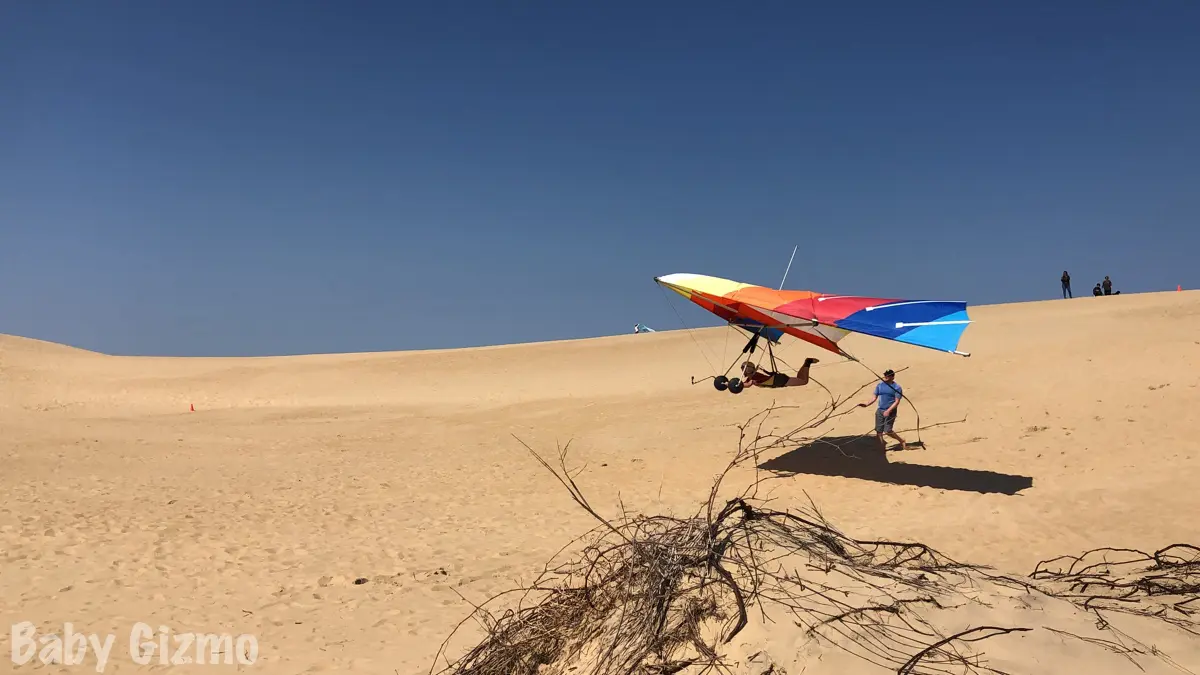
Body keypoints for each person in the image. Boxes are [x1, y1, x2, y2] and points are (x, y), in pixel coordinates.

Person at [858, 369, 908, 451]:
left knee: (888, 430)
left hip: (890, 411)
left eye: (888, 375)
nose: (885, 377)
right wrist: (866, 404)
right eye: (885, 375)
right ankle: (881, 447)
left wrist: (888, 410)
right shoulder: (880, 386)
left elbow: (897, 402)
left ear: (892, 377)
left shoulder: (897, 387)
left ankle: (901, 440)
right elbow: (874, 397)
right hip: (880, 410)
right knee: (879, 431)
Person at [741, 357, 819, 388]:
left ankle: (807, 362)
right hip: (778, 380)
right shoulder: (752, 376)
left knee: (804, 381)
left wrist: (732, 385)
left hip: (779, 381)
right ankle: (806, 363)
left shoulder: (753, 377)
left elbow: (747, 385)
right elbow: (742, 383)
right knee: (800, 379)